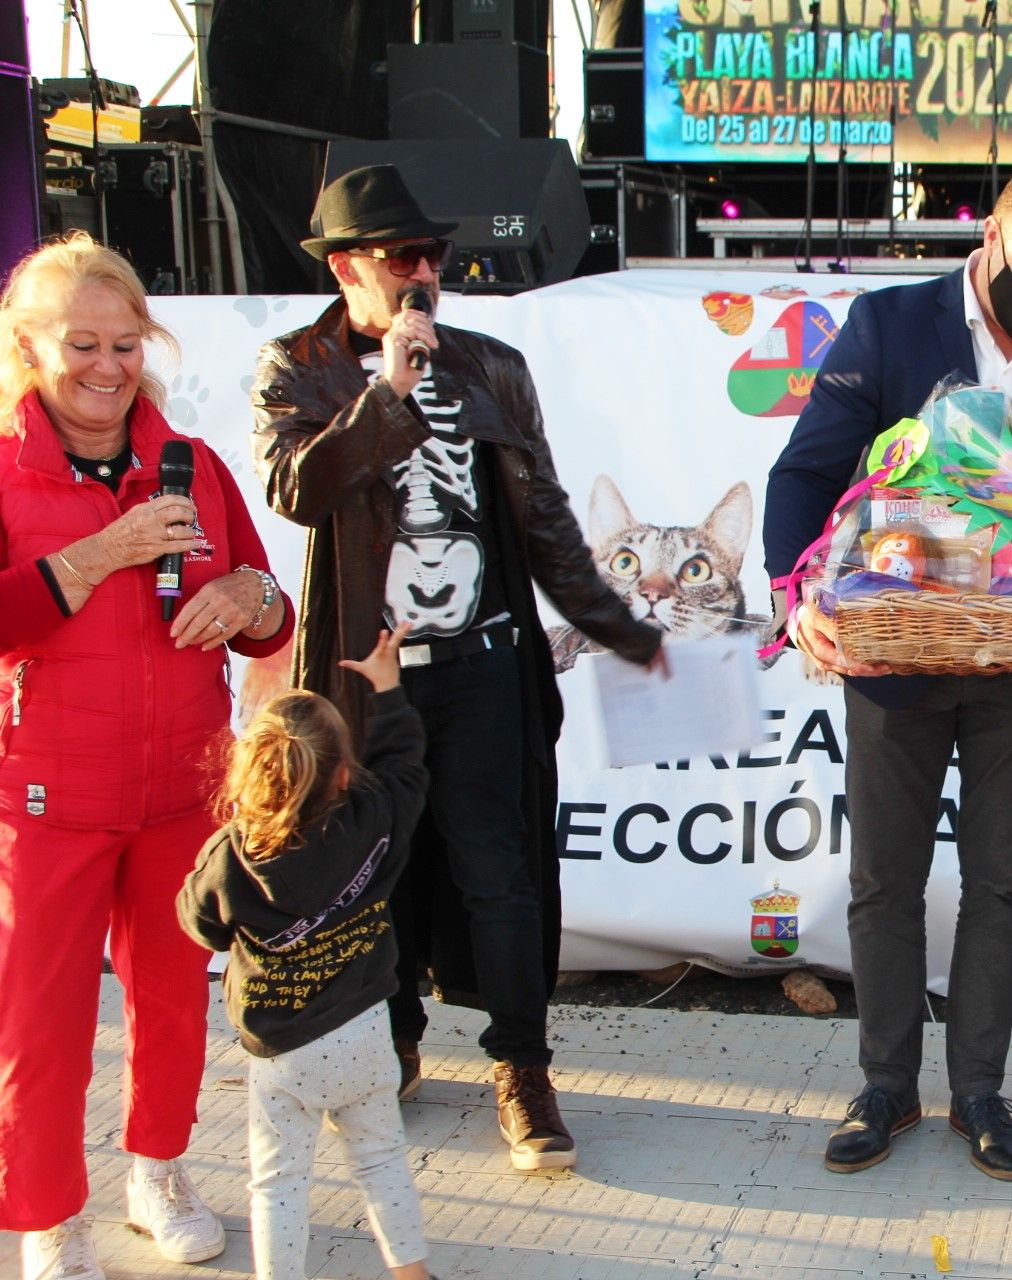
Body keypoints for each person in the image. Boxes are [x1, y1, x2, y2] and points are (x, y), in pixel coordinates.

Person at [251, 164, 665, 1173]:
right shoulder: (299, 366)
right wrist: (386, 390)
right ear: (347, 267)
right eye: (402, 257)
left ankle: (522, 1064)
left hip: (482, 661)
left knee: (502, 871)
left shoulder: (491, 366)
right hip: (368, 673)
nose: (425, 271)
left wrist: (617, 625)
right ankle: (390, 1039)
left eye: (432, 254)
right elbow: (297, 490)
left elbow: (547, 516)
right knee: (370, 867)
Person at [763, 160, 1012, 1182]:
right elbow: (806, 469)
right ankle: (885, 1083)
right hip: (895, 654)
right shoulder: (889, 326)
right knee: (883, 877)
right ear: (994, 237)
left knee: (1002, 882)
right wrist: (795, 592)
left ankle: (980, 1090)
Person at [0, 232, 292, 1276]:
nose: (107, 365)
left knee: (173, 999)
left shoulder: (192, 465)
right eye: (81, 341)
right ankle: (46, 1214)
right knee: (43, 1024)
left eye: (126, 342)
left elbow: (269, 610)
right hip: (46, 796)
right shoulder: (3, 469)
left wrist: (246, 597)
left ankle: (158, 1169)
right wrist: (93, 554)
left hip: (182, 787)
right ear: (30, 348)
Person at [178, 627, 435, 1280]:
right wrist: (388, 687)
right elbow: (407, 764)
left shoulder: (230, 855)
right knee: (380, 1158)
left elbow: (198, 924)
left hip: (282, 1050)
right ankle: (410, 1272)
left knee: (278, 1179)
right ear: (344, 773)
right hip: (366, 1035)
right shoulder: (374, 815)